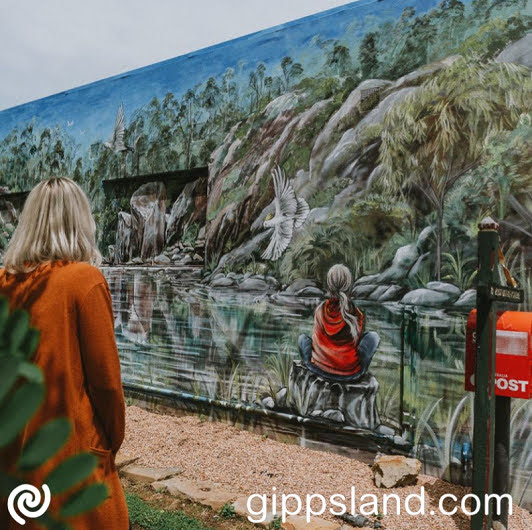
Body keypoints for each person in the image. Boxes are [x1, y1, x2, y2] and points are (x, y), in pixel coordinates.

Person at [0, 177, 129, 529]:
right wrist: (108, 444)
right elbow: (106, 385)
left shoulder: (3, 282)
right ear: (79, 221)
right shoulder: (84, 280)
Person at [298, 264, 380, 382]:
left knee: (302, 339)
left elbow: (316, 342)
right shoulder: (354, 312)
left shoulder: (320, 309)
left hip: (318, 370)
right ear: (349, 285)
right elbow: (355, 343)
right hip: (351, 375)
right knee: (373, 337)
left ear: (329, 285)